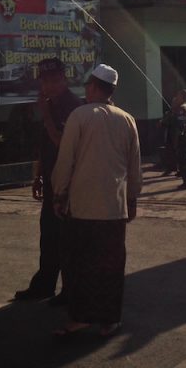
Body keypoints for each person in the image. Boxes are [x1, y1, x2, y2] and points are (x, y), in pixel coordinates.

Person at [50, 64, 141, 340]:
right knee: (111, 268)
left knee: (80, 266)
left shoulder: (79, 116)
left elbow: (65, 160)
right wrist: (132, 199)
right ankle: (109, 320)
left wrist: (59, 193)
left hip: (83, 207)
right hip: (114, 208)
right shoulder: (127, 119)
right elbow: (134, 166)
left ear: (92, 87)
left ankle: (79, 318)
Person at [15, 57, 82, 305]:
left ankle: (70, 290)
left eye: (54, 80)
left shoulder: (71, 106)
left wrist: (45, 115)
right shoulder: (49, 103)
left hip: (67, 184)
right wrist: (38, 176)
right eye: (45, 81)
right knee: (49, 236)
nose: (49, 85)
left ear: (64, 79)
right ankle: (44, 285)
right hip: (51, 179)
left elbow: (62, 145)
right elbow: (44, 146)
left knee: (66, 238)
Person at [165, 92, 186, 189]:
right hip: (182, 138)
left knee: (184, 161)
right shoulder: (179, 108)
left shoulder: (182, 109)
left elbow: (181, 125)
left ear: (182, 98)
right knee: (182, 161)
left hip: (183, 138)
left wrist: (177, 138)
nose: (176, 97)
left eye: (178, 96)